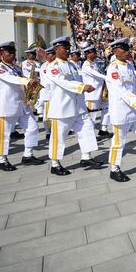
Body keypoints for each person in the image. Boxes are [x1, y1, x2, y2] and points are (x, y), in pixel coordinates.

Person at [46, 36, 104, 175]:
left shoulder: (72, 65)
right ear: (56, 49)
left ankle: (86, 157)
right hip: (63, 108)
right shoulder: (53, 67)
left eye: (68, 48)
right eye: (64, 48)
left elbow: (77, 79)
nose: (68, 50)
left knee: (87, 129)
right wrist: (82, 87)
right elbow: (63, 82)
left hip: (78, 106)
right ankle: (55, 164)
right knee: (59, 137)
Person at [105, 38, 136, 182]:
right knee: (119, 141)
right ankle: (114, 169)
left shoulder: (130, 65)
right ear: (115, 51)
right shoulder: (113, 69)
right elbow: (122, 90)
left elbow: (135, 87)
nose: (128, 52)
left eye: (128, 49)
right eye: (124, 50)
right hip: (122, 110)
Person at [0, 41, 45, 171]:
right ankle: (2, 160)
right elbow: (11, 79)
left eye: (13, 52)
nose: (12, 54)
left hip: (22, 104)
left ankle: (28, 154)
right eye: (8, 52)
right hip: (8, 106)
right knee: (4, 134)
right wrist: (27, 81)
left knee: (32, 128)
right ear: (1, 54)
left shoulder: (16, 67)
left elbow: (20, 80)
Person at [80, 45, 112, 138]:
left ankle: (103, 129)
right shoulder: (86, 65)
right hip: (92, 95)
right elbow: (96, 74)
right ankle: (89, 135)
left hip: (100, 92)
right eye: (93, 53)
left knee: (107, 109)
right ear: (87, 54)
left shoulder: (93, 63)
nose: (95, 54)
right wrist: (108, 78)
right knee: (91, 117)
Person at [38, 47, 56, 140]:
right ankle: (48, 132)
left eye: (54, 54)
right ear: (47, 55)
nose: (53, 56)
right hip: (48, 94)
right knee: (48, 115)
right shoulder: (45, 66)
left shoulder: (54, 64)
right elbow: (48, 82)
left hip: (54, 94)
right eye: (51, 54)